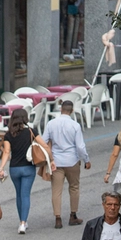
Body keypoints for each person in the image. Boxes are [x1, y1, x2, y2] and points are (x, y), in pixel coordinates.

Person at [42, 97, 90, 228]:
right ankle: (73, 215)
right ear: (72, 111)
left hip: (56, 162)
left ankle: (58, 218)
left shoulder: (51, 124)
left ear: (61, 109)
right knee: (74, 187)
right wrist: (86, 159)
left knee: (56, 190)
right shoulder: (75, 125)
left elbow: (43, 140)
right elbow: (80, 146)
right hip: (72, 160)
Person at [0, 109, 38, 231]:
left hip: (14, 168)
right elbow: (43, 144)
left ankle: (21, 221)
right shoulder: (31, 131)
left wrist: (1, 167)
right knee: (25, 195)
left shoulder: (9, 134)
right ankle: (23, 223)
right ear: (25, 118)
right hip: (28, 167)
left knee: (19, 194)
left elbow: (7, 152)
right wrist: (50, 159)